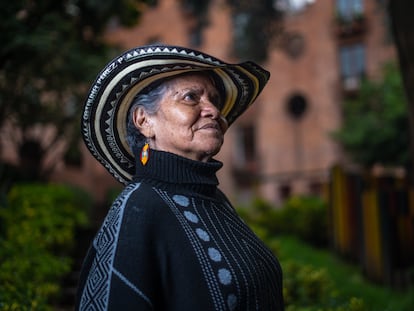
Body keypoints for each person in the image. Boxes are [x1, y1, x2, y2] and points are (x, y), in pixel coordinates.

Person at [76, 44, 284, 310]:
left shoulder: (215, 200)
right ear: (144, 121)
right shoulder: (139, 209)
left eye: (215, 100)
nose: (212, 110)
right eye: (190, 97)